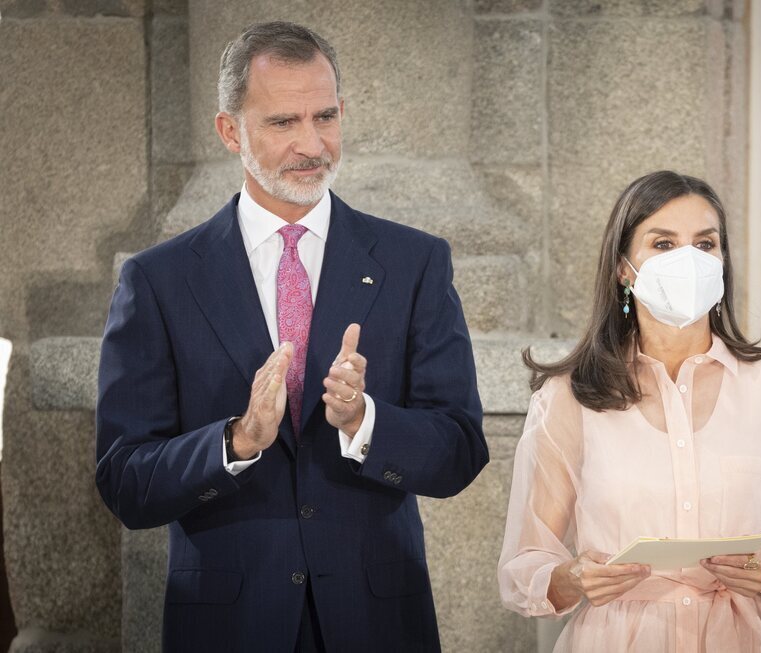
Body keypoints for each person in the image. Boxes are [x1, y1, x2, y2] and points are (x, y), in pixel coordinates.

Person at [96, 21, 487, 653]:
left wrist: (365, 421)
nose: (313, 144)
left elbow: (461, 451)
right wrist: (238, 440)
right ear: (231, 131)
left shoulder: (416, 263)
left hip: (379, 624)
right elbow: (125, 483)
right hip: (227, 627)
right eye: (283, 123)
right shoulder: (157, 281)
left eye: (325, 117)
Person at [498, 171, 761, 652]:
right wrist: (574, 579)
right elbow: (524, 567)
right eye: (663, 244)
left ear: (722, 261)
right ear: (624, 268)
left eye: (705, 245)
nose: (688, 260)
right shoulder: (568, 396)